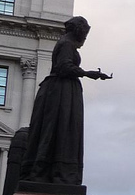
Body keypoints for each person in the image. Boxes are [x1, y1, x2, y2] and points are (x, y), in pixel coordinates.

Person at [20, 16, 111, 185]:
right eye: (85, 34)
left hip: (60, 90)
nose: (85, 39)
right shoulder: (67, 44)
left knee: (56, 129)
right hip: (61, 92)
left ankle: (49, 169)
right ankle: (59, 172)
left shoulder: (64, 43)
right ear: (78, 31)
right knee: (61, 129)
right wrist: (87, 73)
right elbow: (64, 67)